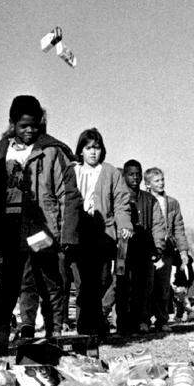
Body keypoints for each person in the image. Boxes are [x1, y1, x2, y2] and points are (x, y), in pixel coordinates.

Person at [0, 95, 79, 354]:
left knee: (48, 280)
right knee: (7, 283)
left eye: (34, 125)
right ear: (12, 124)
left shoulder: (53, 151)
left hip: (42, 228)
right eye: (23, 126)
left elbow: (69, 194)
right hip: (9, 227)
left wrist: (67, 235)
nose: (29, 131)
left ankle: (54, 334)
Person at [68, 128, 131, 336]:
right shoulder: (72, 170)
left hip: (103, 233)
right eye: (88, 148)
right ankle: (85, 327)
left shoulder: (111, 172)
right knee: (81, 283)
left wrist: (125, 226)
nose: (93, 152)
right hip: (77, 233)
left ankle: (97, 323)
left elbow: (122, 202)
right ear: (81, 150)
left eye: (97, 147)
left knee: (102, 280)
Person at [116, 160, 167, 334]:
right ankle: (123, 323)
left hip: (144, 249)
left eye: (138, 174)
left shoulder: (149, 199)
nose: (135, 177)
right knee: (122, 285)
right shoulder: (119, 196)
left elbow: (158, 225)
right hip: (123, 249)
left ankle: (142, 321)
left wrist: (158, 248)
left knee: (144, 287)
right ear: (124, 176)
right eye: (131, 174)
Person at [144, 167, 188, 332]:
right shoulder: (144, 200)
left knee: (163, 288)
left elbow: (179, 228)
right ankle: (144, 320)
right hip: (149, 250)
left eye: (162, 179)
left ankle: (162, 320)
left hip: (167, 250)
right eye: (157, 180)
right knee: (147, 287)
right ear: (148, 184)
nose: (161, 183)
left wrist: (183, 251)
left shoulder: (172, 203)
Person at [172, 252, 194, 322]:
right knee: (182, 301)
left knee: (182, 301)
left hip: (184, 283)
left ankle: (181, 316)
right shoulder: (179, 258)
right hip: (181, 283)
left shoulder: (188, 258)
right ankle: (187, 314)